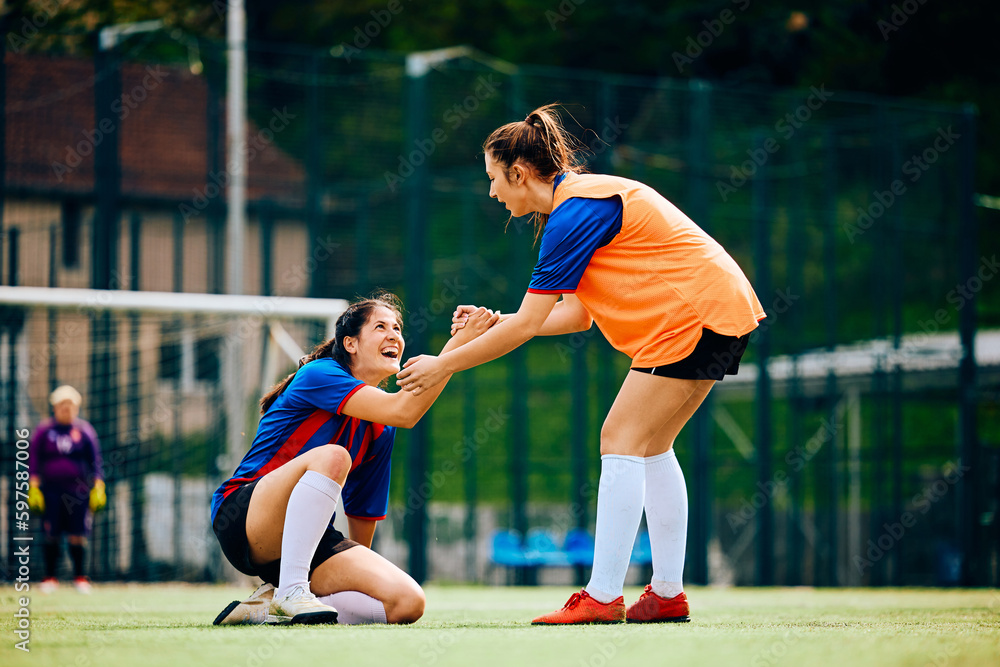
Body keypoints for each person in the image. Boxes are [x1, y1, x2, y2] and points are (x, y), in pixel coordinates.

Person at [396, 105, 766, 624]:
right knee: (652, 446)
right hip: (719, 312)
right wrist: (498, 319)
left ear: (519, 174)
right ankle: (666, 594)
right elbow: (573, 316)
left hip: (694, 317)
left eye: (493, 179)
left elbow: (528, 326)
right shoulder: (575, 204)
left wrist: (444, 365)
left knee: (618, 438)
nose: (491, 192)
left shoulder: (575, 212)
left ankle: (602, 596)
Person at [211, 293, 497, 626]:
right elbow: (404, 410)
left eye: (397, 328)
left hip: (308, 545)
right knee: (334, 457)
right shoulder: (319, 374)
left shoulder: (381, 429)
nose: (394, 335)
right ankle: (291, 592)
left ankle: (267, 607)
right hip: (243, 518)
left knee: (407, 602)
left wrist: (357, 571)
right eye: (380, 327)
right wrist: (457, 347)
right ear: (350, 343)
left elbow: (362, 517)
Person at [28, 385, 106, 594]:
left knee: (78, 534)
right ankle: (50, 578)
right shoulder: (44, 431)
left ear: (77, 407)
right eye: (62, 404)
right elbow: (34, 459)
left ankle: (80, 577)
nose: (66, 408)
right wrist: (33, 485)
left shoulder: (85, 431)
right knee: (51, 533)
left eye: (70, 405)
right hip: (51, 490)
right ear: (54, 407)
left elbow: (95, 461)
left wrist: (98, 484)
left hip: (78, 492)